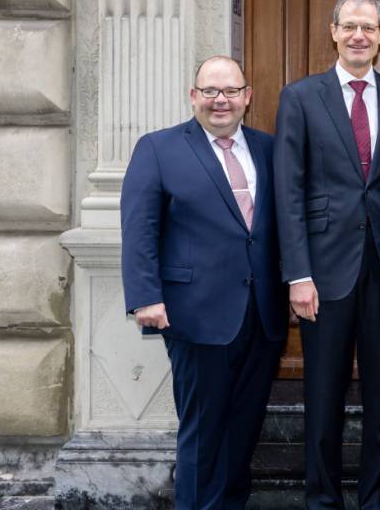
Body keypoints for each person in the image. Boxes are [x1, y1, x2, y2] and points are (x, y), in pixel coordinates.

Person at [273, 0, 380, 510]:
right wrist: (297, 274)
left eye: (369, 27)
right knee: (324, 396)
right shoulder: (300, 97)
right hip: (322, 273)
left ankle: (378, 498)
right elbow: (288, 191)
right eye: (350, 26)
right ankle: (323, 500)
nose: (359, 35)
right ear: (333, 32)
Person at [121, 55, 286, 509]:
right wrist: (145, 298)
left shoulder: (270, 149)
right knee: (203, 430)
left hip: (262, 315)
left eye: (231, 91)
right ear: (193, 96)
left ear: (247, 97)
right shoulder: (158, 148)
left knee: (244, 427)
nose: (221, 101)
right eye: (210, 91)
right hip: (194, 315)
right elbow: (139, 228)